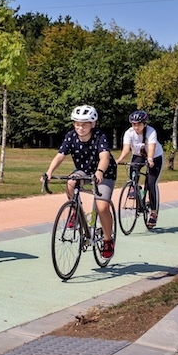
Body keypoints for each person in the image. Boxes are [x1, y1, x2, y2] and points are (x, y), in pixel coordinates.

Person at [43, 105, 117, 258]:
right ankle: (76, 212)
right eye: (77, 124)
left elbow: (105, 157)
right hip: (83, 170)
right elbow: (60, 155)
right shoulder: (71, 136)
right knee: (70, 183)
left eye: (84, 124)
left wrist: (99, 171)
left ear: (93, 124)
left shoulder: (99, 136)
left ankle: (108, 240)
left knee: (102, 207)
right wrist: (50, 171)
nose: (80, 127)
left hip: (105, 172)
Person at [114, 110, 163, 229]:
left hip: (155, 157)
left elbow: (152, 147)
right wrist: (119, 160)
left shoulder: (151, 131)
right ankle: (134, 187)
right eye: (133, 124)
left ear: (144, 124)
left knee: (151, 184)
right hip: (138, 156)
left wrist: (150, 159)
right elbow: (126, 149)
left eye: (138, 124)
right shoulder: (129, 133)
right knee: (133, 170)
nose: (136, 127)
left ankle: (153, 212)